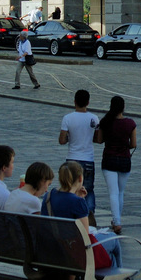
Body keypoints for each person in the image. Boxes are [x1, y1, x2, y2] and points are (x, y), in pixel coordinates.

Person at [41, 161, 133, 280]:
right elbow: (85, 236)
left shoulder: (48, 197)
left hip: (55, 251)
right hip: (76, 253)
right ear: (81, 178)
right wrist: (80, 201)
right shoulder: (77, 202)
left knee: (109, 251)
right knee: (114, 243)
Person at [59, 89, 100, 225]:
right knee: (88, 189)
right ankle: (89, 218)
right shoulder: (94, 118)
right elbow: (98, 139)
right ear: (88, 102)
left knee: (69, 188)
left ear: (74, 102)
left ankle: (70, 215)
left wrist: (70, 137)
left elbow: (62, 140)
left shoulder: (68, 118)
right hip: (88, 159)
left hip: (72, 158)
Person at [96, 96, 136, 234]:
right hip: (125, 160)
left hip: (109, 159)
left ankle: (117, 222)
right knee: (120, 192)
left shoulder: (105, 122)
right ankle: (117, 220)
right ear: (123, 107)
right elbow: (133, 144)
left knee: (113, 192)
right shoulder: (130, 123)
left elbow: (100, 140)